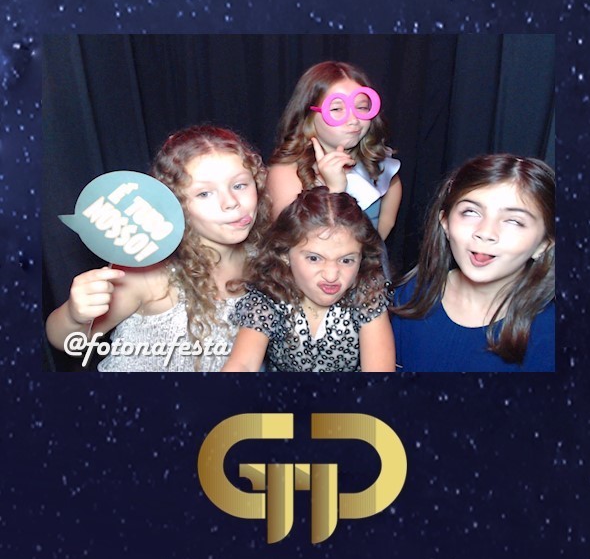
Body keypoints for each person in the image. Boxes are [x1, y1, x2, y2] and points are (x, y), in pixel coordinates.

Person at [46, 125, 267, 372]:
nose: (231, 203)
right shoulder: (148, 272)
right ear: (175, 202)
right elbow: (64, 341)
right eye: (205, 193)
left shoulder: (261, 258)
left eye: (240, 185)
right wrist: (74, 315)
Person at [390, 155, 554, 370]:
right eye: (471, 212)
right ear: (445, 222)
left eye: (514, 221)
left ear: (544, 244)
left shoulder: (550, 333)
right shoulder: (408, 296)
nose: (485, 233)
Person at [223, 187, 394, 372]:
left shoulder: (366, 295)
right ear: (284, 254)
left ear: (362, 258)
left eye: (346, 260)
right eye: (314, 258)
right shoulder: (269, 297)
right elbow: (243, 364)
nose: (331, 275)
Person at [268, 62, 402, 259]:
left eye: (361, 107)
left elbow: (379, 237)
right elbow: (294, 248)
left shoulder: (382, 168)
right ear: (309, 115)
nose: (353, 120)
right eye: (337, 109)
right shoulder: (285, 174)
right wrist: (333, 191)